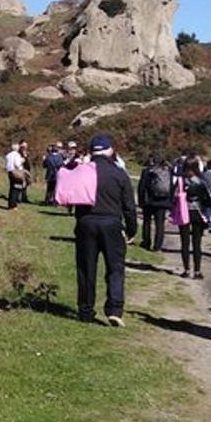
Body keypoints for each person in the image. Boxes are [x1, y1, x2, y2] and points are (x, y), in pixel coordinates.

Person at [73, 134, 137, 326]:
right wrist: (131, 230)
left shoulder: (82, 172)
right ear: (111, 150)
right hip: (111, 223)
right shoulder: (119, 174)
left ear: (91, 151)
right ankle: (115, 309)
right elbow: (129, 206)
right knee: (115, 268)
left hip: (86, 222)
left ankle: (85, 310)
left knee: (86, 268)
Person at [176, 156, 211, 278]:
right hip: (198, 212)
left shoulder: (180, 181)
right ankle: (197, 270)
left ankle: (186, 269)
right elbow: (208, 198)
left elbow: (174, 196)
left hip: (183, 211)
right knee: (197, 242)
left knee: (184, 242)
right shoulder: (201, 181)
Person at [138, 154, 173, 252]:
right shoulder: (167, 171)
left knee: (147, 222)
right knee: (160, 224)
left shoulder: (147, 171)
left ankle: (146, 242)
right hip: (162, 201)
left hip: (149, 201)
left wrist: (141, 200)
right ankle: (158, 245)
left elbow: (142, 187)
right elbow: (171, 187)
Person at [5, 143, 26, 209]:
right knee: (16, 188)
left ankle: (10, 203)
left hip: (10, 172)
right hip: (16, 172)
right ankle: (13, 205)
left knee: (11, 188)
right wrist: (22, 161)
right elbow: (17, 164)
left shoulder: (8, 155)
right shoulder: (17, 155)